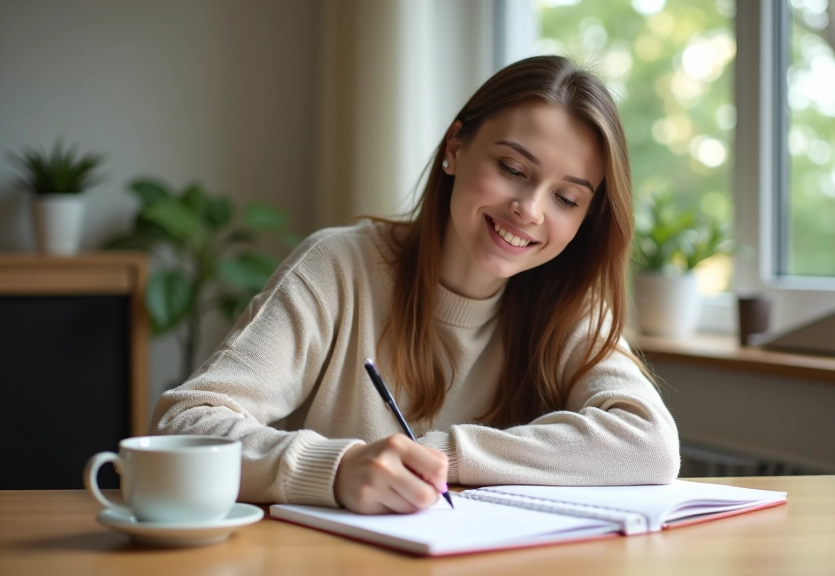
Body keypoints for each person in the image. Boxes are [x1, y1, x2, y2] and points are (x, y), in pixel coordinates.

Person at [150, 55, 680, 515]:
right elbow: (183, 425)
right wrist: (335, 468)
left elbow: (649, 444)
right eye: (513, 167)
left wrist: (443, 456)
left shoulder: (568, 307)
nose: (530, 210)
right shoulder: (338, 265)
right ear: (455, 147)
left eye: (567, 199)